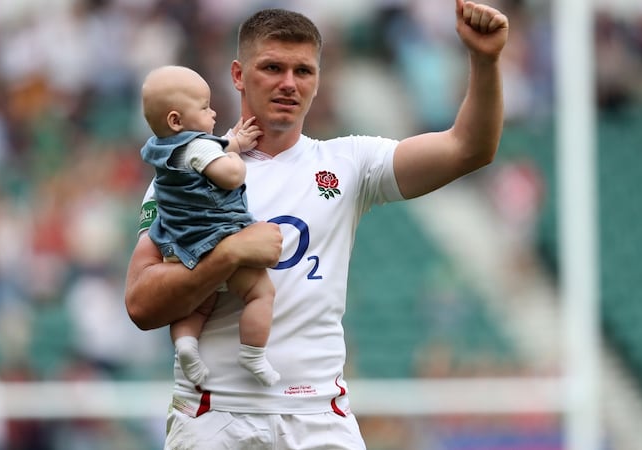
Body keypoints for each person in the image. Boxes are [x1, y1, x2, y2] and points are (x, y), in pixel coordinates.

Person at [125, 1, 509, 448]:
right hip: (216, 417)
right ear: (237, 75)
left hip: (319, 419)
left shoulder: (348, 162)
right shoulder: (184, 175)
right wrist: (228, 256)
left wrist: (485, 61)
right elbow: (141, 304)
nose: (289, 83)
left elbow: (469, 149)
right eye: (272, 67)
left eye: (303, 71)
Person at [139, 65, 280, 387]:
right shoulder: (199, 146)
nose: (213, 112)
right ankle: (253, 354)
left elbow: (202, 157)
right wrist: (236, 159)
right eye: (204, 107)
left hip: (179, 245)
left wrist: (232, 143)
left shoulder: (162, 150)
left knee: (197, 305)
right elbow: (228, 175)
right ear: (176, 120)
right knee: (261, 293)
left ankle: (187, 345)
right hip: (216, 237)